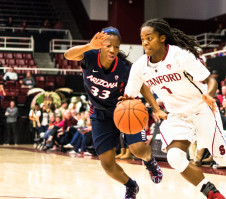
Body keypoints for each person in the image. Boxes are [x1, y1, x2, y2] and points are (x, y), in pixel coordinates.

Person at [122, 18, 226, 199]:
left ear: (163, 38)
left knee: (222, 158)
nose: (145, 43)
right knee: (174, 157)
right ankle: (211, 192)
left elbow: (210, 78)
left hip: (202, 108)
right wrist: (129, 104)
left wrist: (210, 95)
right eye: (142, 39)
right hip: (177, 114)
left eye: (149, 38)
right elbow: (132, 95)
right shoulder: (139, 66)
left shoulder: (180, 55)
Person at [64, 27, 163, 199]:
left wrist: (155, 107)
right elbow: (68, 55)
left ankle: (149, 161)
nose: (112, 50)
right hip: (100, 115)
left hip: (125, 109)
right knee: (107, 164)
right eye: (108, 45)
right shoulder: (89, 57)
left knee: (138, 149)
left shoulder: (125, 68)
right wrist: (89, 45)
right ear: (101, 45)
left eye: (116, 47)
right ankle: (131, 185)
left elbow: (143, 86)